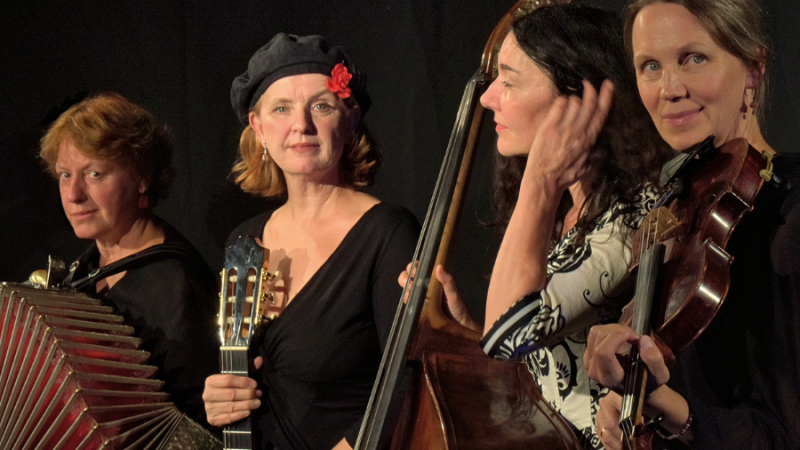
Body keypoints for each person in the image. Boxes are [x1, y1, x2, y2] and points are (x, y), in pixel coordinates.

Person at [398, 4, 672, 449]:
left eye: (509, 81)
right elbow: (522, 348)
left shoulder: (632, 216)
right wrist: (463, 326)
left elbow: (508, 333)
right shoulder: (567, 208)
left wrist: (540, 180)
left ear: (577, 97)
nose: (488, 98)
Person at [584, 1, 800, 449]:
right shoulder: (675, 214)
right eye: (650, 67)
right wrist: (624, 407)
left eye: (693, 59)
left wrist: (671, 410)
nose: (669, 89)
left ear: (754, 70)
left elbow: (785, 431)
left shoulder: (790, 215)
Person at [201, 34, 419, 450]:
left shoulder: (387, 232)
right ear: (259, 127)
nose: (301, 125)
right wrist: (222, 399)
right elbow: (243, 374)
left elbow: (408, 384)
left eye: (321, 106)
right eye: (281, 109)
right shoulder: (244, 240)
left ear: (350, 120)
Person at [38, 92, 219, 428]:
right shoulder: (85, 269)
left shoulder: (178, 288)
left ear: (142, 177)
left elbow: (200, 428)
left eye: (93, 174)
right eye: (65, 175)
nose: (74, 194)